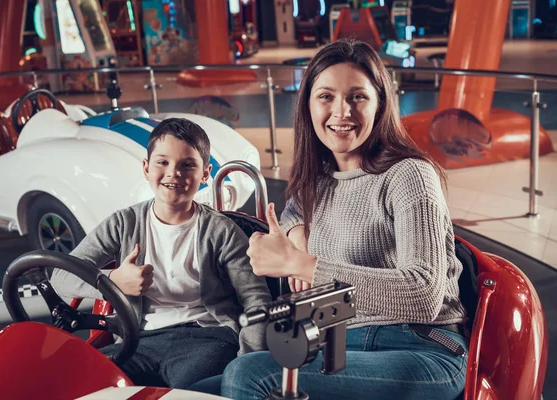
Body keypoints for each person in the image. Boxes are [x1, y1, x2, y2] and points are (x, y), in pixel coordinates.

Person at [219, 39, 469, 400]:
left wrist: (302, 264)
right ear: (307, 105)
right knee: (189, 391)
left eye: (357, 97)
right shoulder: (318, 179)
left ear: (380, 104)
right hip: (336, 342)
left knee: (250, 376)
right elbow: (293, 211)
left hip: (420, 347)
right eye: (326, 97)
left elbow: (424, 295)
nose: (341, 112)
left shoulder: (409, 175)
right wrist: (296, 230)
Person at [51, 117, 271, 389]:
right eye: (162, 162)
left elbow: (256, 301)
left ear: (205, 174)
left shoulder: (222, 232)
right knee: (82, 384)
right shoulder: (123, 223)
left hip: (206, 339)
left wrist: (246, 361)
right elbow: (60, 277)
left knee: (189, 393)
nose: (173, 173)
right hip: (137, 341)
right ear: (146, 168)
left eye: (187, 165)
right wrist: (113, 281)